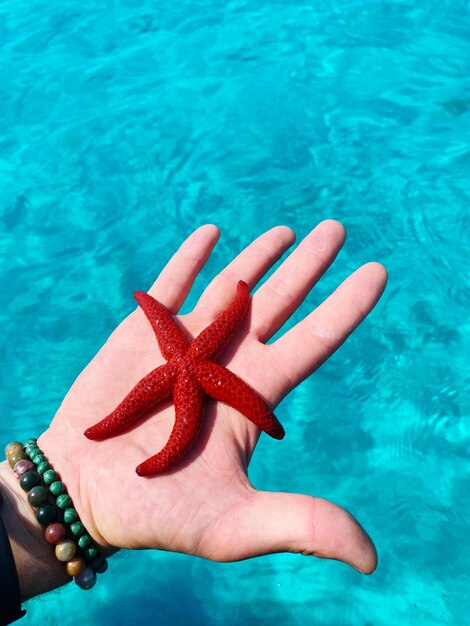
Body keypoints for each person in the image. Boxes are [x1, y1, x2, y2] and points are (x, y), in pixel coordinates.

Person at [0, 221, 387, 613]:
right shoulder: (188, 364)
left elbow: (217, 327)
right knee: (138, 418)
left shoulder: (189, 360)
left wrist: (240, 304)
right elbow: (171, 342)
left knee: (157, 422)